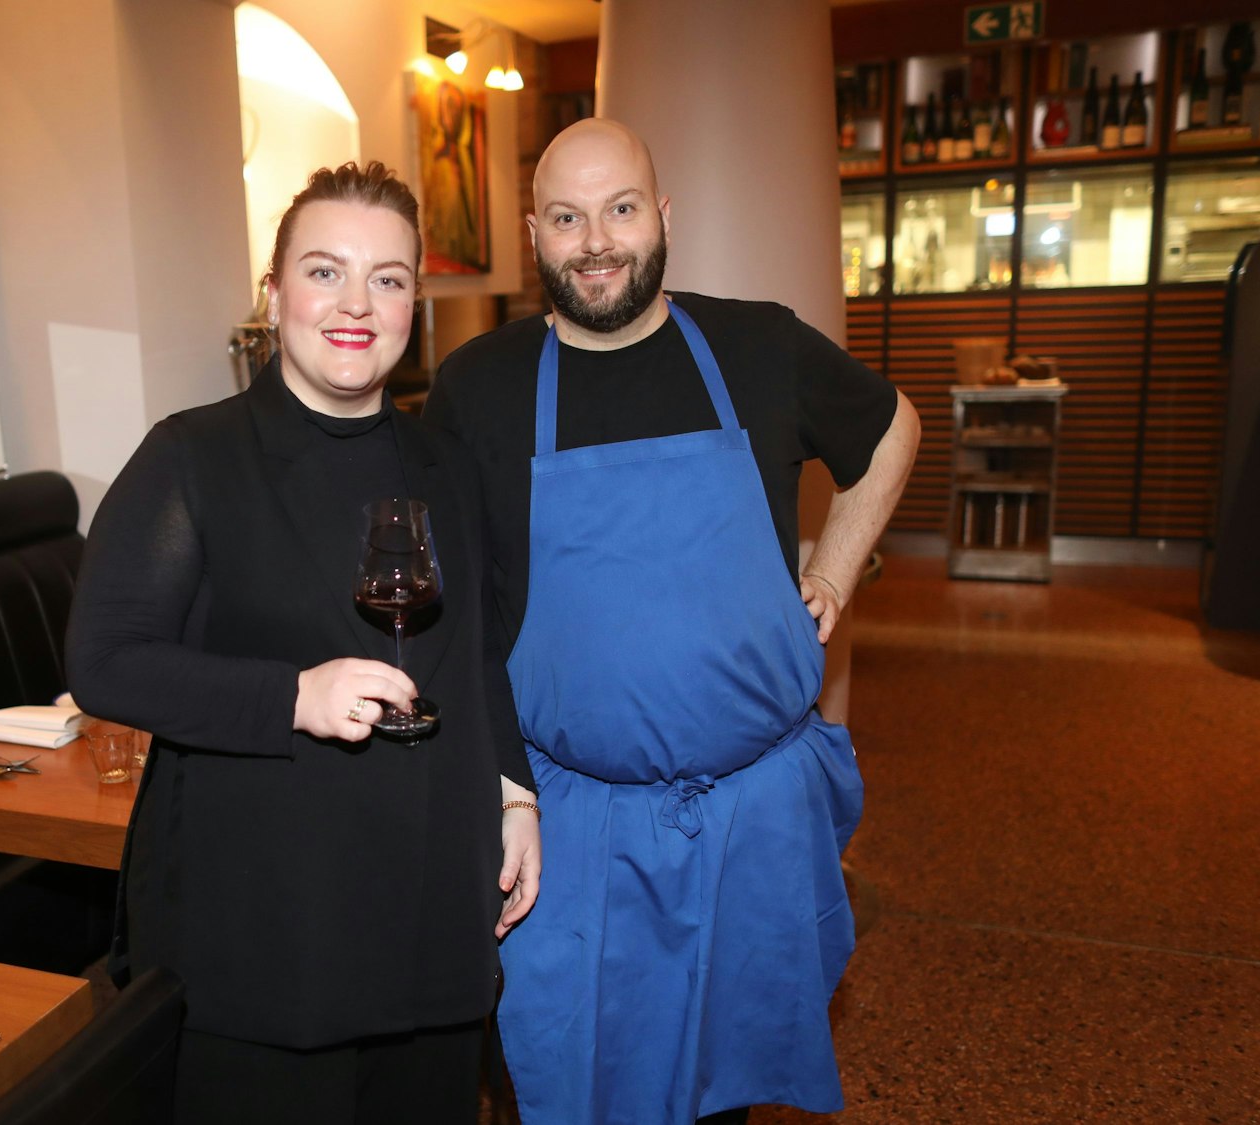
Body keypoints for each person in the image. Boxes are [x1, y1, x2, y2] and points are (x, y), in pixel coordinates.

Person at [424, 119, 921, 1124]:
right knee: (559, 1079)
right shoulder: (477, 387)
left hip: (750, 825)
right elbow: (451, 608)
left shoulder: (756, 345)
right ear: (533, 232)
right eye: (565, 218)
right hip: (570, 829)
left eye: (618, 210)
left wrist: (831, 567)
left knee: (718, 1090)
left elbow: (892, 427)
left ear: (662, 217)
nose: (594, 241)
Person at [65, 161, 542, 1125]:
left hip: (429, 903)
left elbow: (478, 650)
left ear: (416, 300)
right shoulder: (192, 455)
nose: (356, 304)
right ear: (274, 292)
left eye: (389, 278)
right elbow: (105, 661)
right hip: (270, 920)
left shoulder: (447, 464)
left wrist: (514, 789)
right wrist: (294, 695)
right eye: (325, 272)